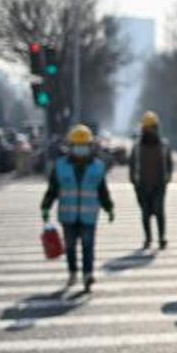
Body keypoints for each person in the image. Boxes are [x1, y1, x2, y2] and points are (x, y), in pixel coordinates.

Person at [41, 124, 115, 293]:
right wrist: (45, 206)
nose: (80, 150)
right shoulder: (60, 166)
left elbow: (102, 190)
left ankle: (87, 274)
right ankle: (73, 271)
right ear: (71, 147)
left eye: (84, 146)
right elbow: (53, 189)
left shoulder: (97, 166)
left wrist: (109, 207)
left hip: (89, 216)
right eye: (77, 146)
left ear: (90, 147)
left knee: (88, 246)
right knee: (70, 246)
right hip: (68, 215)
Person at [129, 110, 173, 250]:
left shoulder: (164, 145)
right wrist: (134, 182)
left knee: (159, 211)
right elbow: (132, 165)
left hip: (159, 185)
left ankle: (161, 238)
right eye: (147, 128)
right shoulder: (137, 147)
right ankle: (148, 238)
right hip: (142, 185)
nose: (150, 131)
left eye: (153, 127)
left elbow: (169, 163)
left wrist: (167, 178)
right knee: (145, 213)